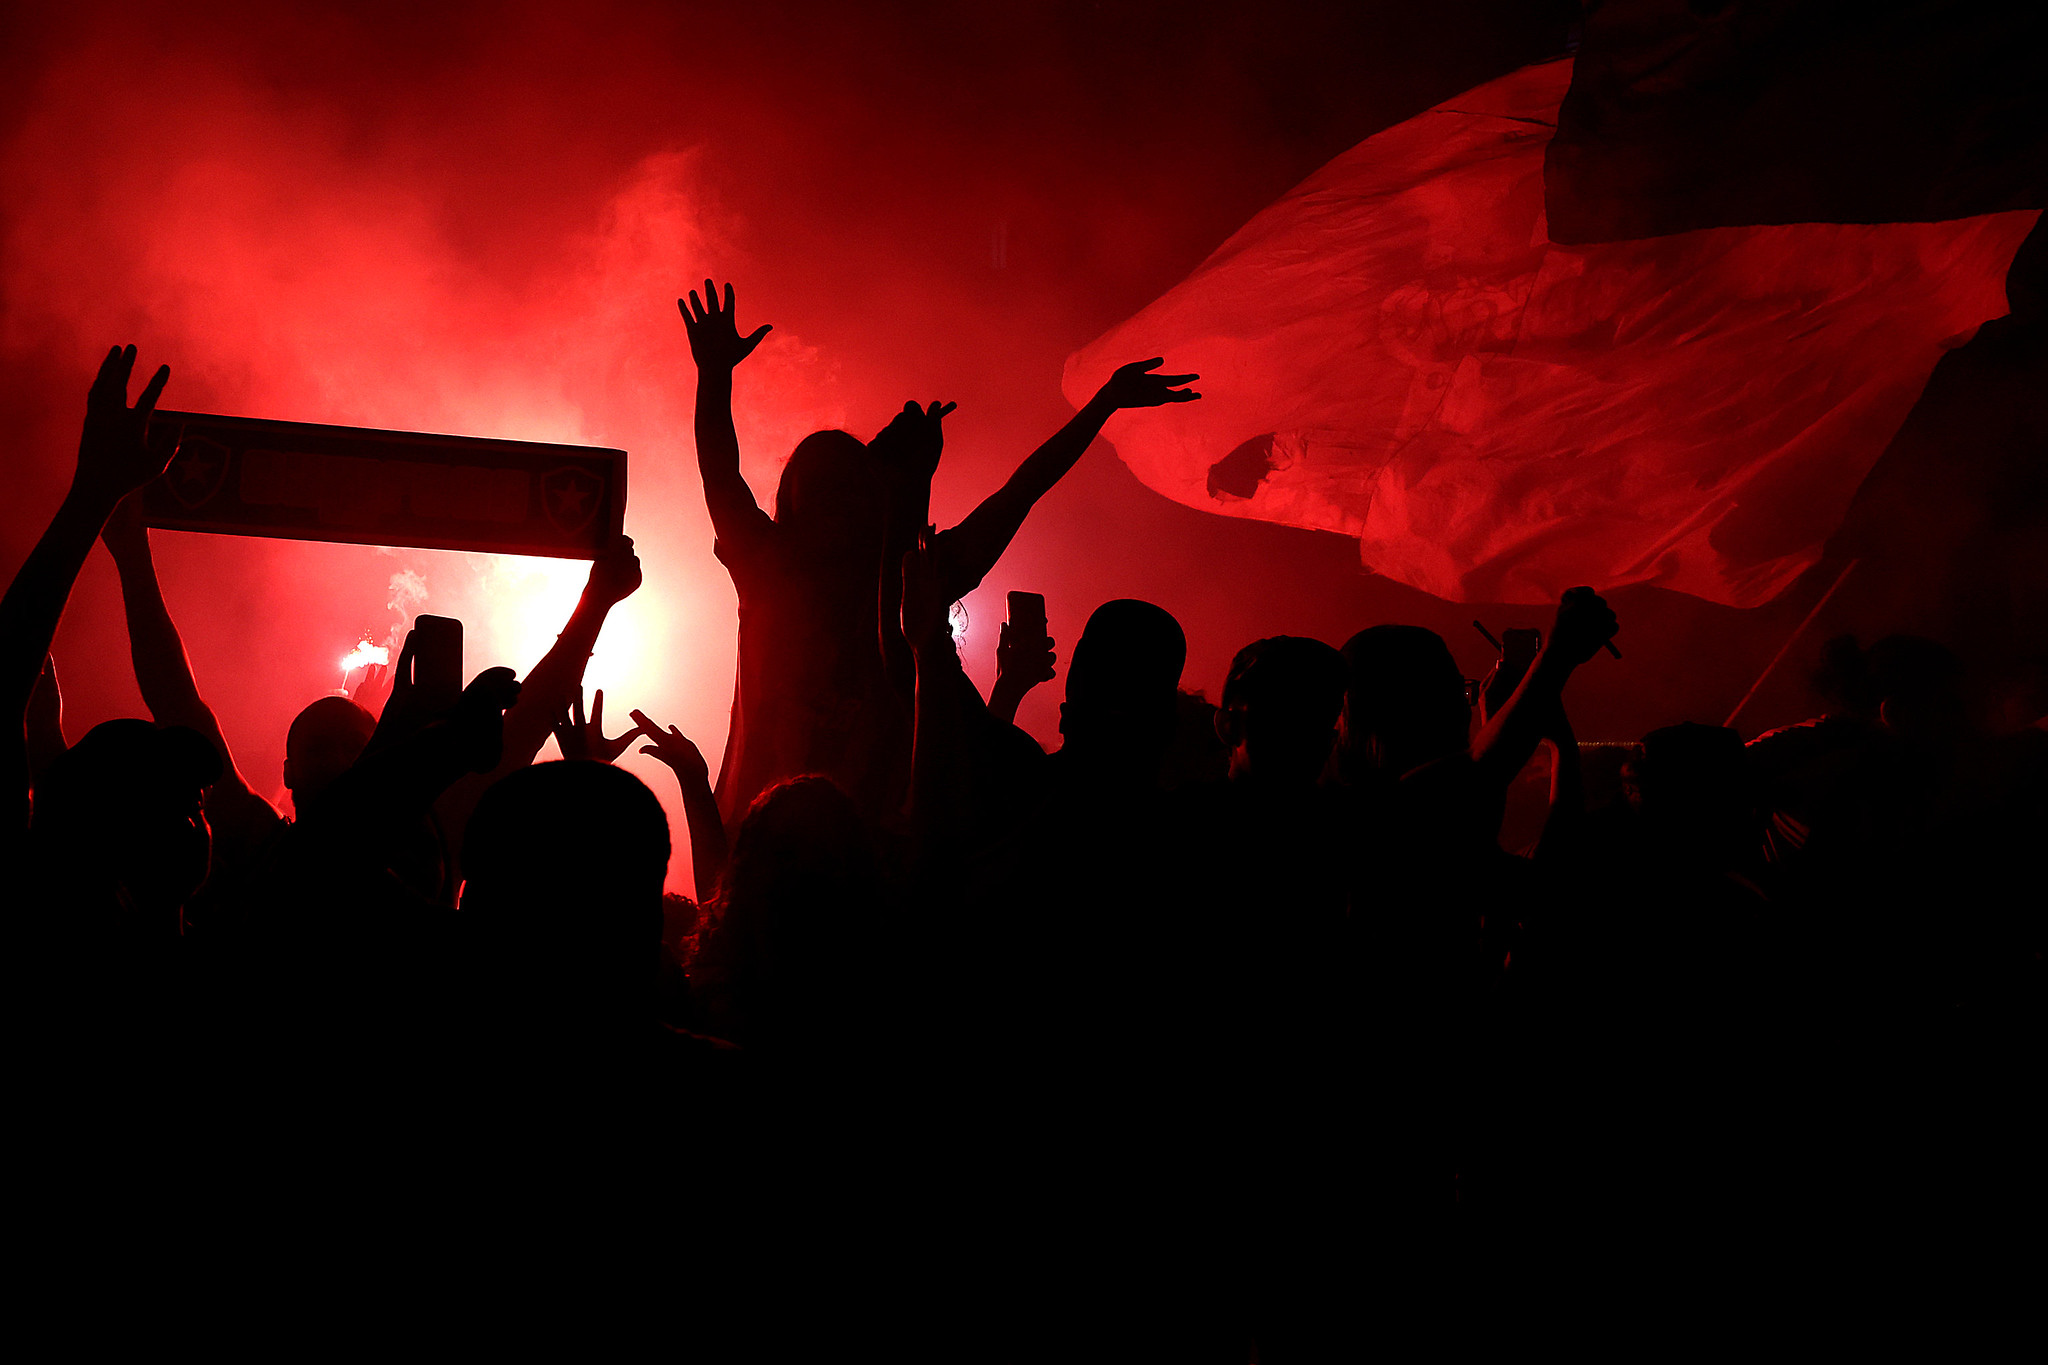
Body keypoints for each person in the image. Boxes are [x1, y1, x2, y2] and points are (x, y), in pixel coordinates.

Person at [680, 277, 1198, 827]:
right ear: (791, 502)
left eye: (844, 483)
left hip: (871, 850)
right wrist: (713, 377)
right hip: (760, 834)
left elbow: (1019, 494)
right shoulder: (769, 568)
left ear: (870, 496)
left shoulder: (912, 574)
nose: (834, 500)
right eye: (821, 483)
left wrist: (1101, 409)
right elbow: (719, 472)